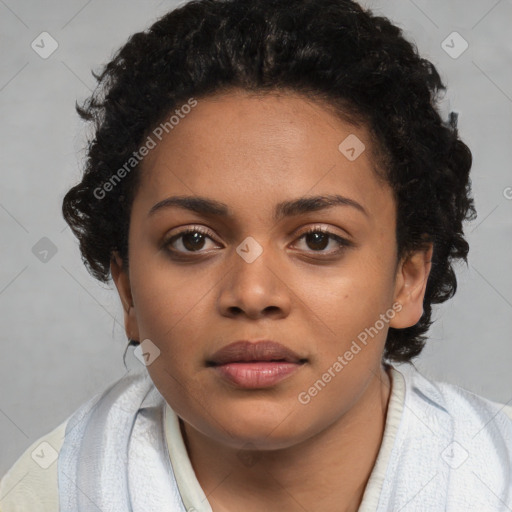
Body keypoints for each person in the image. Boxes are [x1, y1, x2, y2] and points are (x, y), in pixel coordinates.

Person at [1, 0, 511, 510]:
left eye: (318, 239)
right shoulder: (52, 491)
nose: (252, 294)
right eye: (192, 240)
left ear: (408, 280)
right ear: (128, 288)